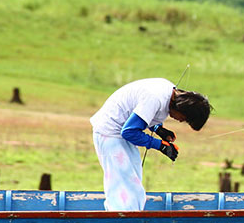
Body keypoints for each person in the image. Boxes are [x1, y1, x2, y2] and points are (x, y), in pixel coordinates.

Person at [90, 78, 212, 211]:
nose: (180, 120)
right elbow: (129, 132)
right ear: (183, 109)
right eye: (184, 119)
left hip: (118, 134)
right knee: (125, 188)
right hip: (110, 133)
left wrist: (158, 129)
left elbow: (142, 115)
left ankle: (128, 221)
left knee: (134, 184)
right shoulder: (155, 98)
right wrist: (160, 146)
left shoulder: (169, 91)